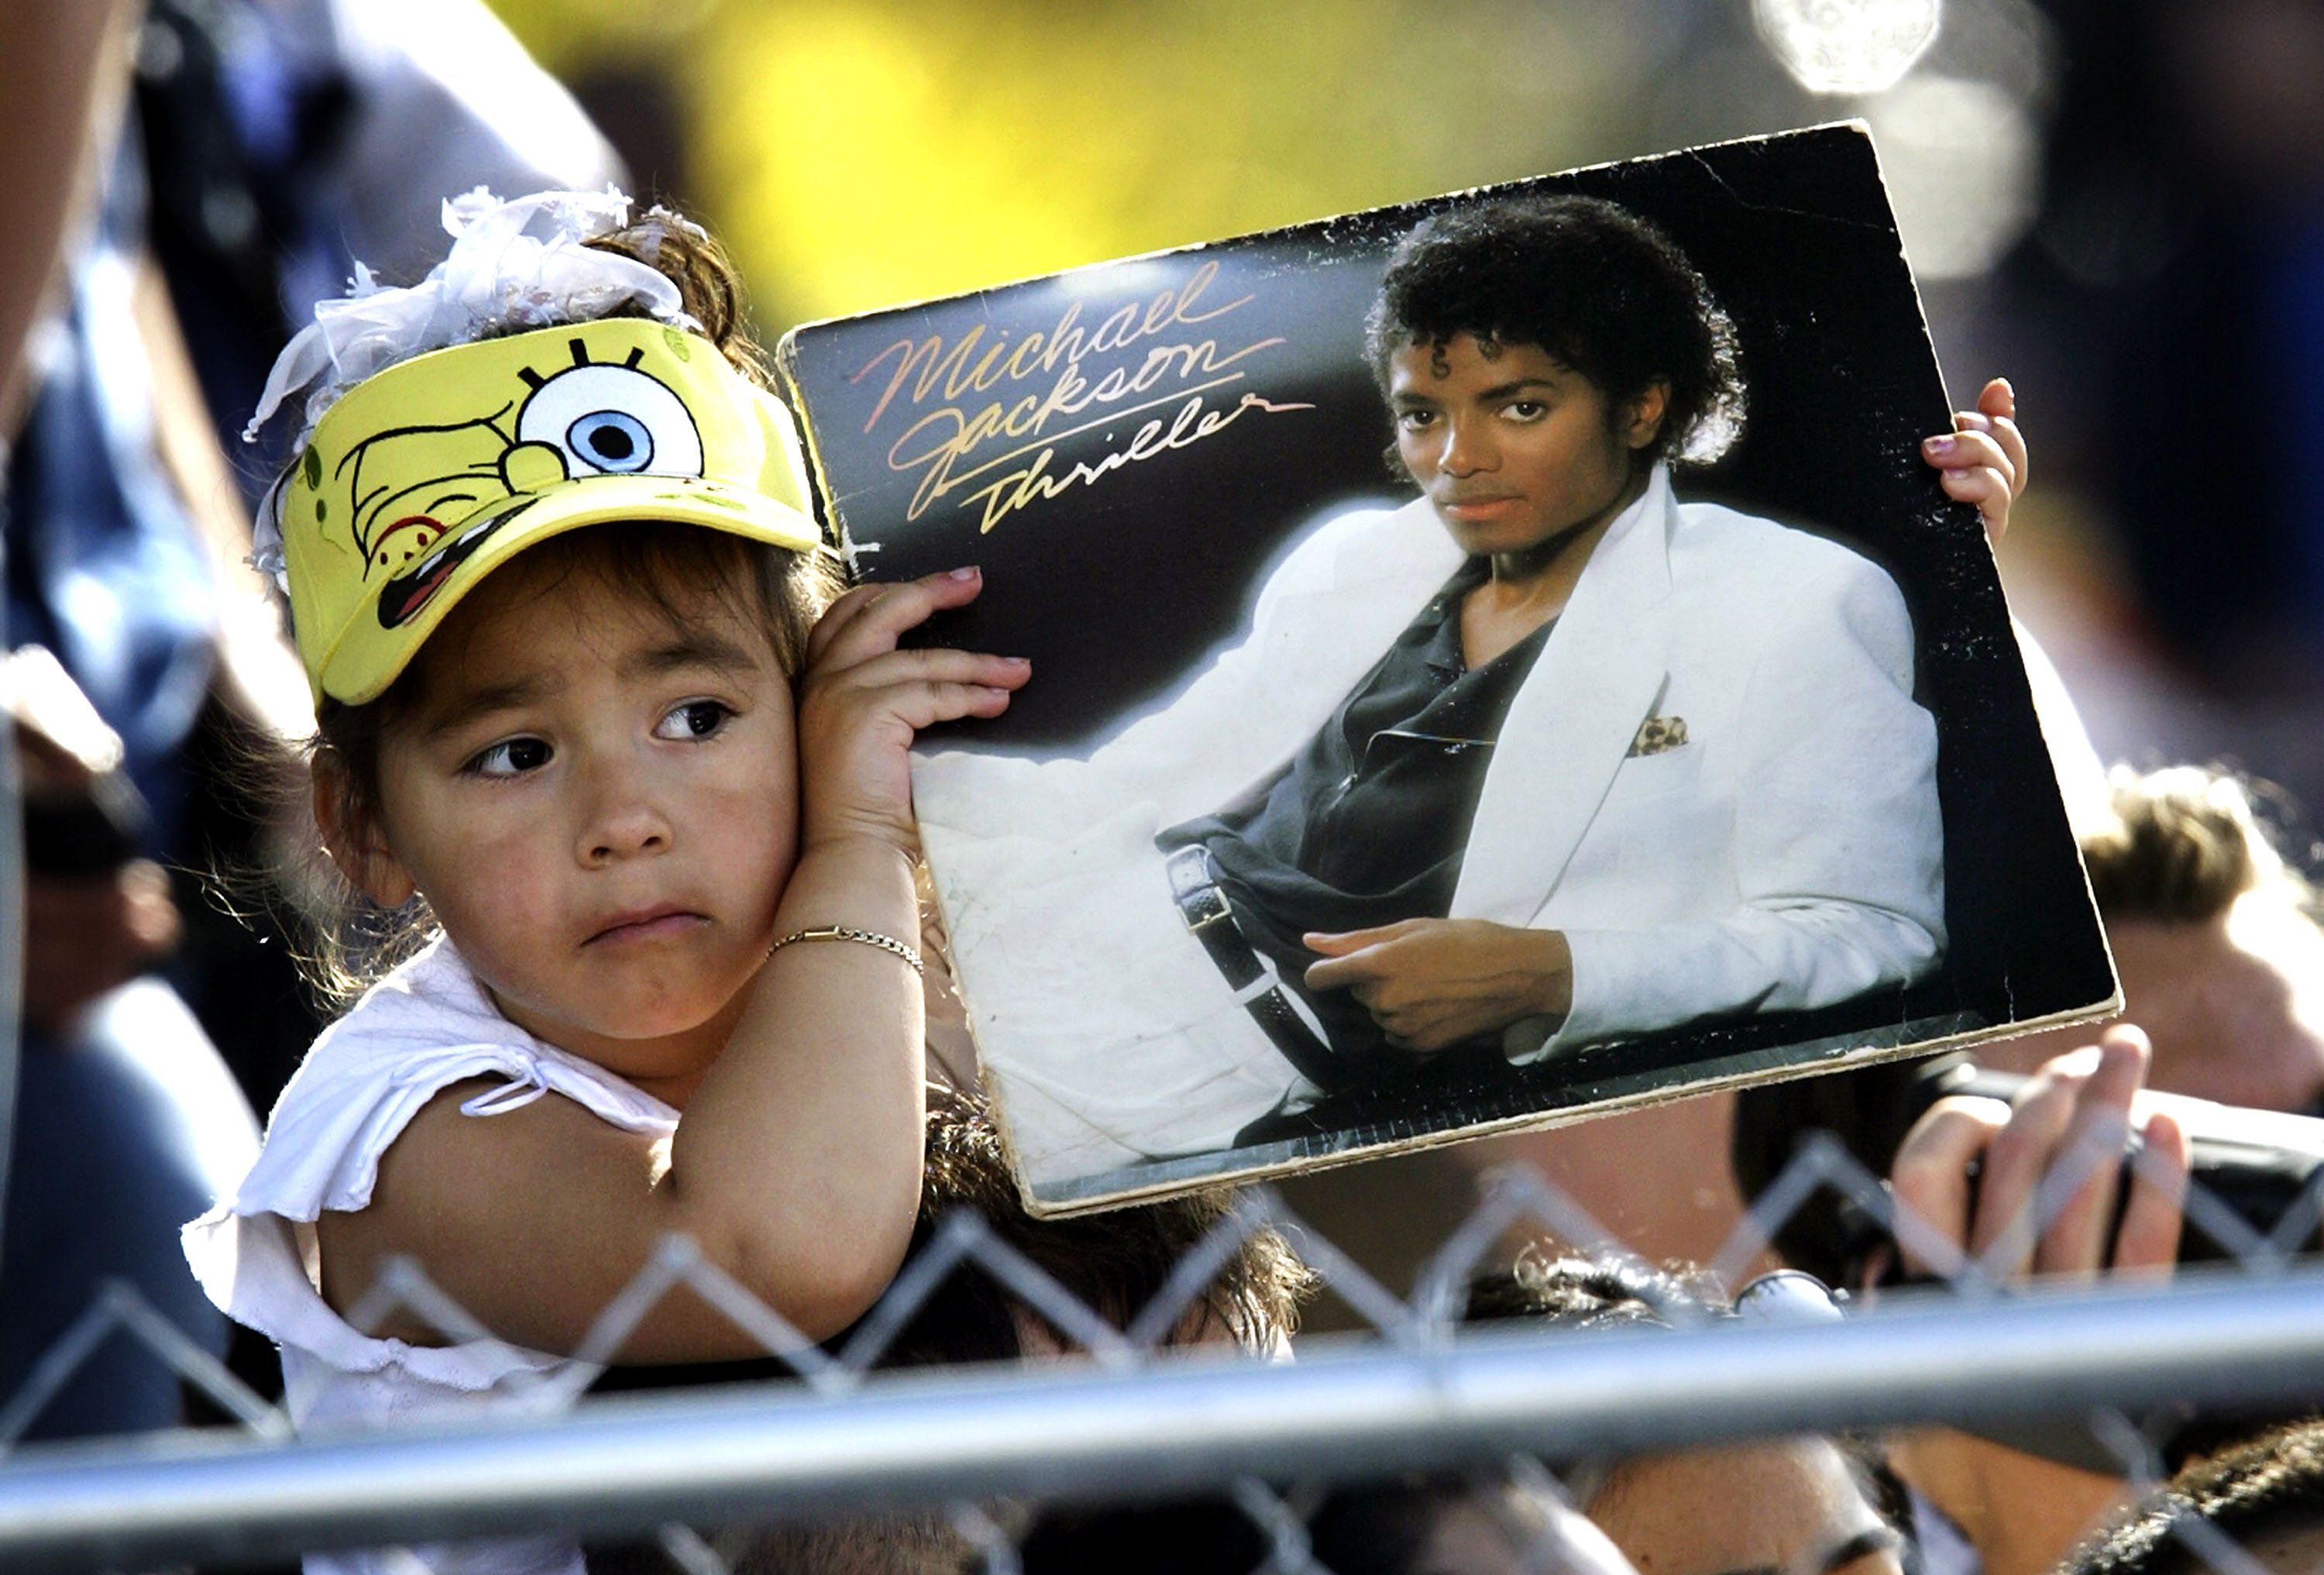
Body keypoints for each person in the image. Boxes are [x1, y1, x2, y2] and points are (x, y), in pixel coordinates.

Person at [178, 187, 1027, 1575]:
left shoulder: (907, 965)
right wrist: (858, 847)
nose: (623, 818)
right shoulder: (394, 1129)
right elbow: (766, 1251)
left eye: (696, 719)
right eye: (515, 753)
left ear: (815, 701)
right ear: (366, 827)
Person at [913, 194, 1993, 1185]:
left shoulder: (1797, 600)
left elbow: (1873, 928)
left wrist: (1553, 976)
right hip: (1076, 909)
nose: (1457, 458)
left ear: (1644, 405)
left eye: (1518, 407)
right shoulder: (1362, 557)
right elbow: (1135, 782)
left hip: (1215, 1065)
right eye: (1424, 414)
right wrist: (889, 766)